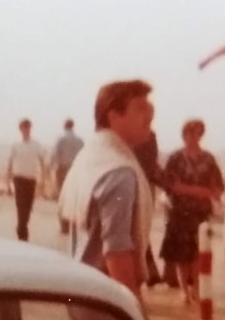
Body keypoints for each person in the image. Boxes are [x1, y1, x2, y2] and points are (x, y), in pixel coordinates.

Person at [58, 79, 155, 302]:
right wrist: (133, 308)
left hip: (81, 289)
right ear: (114, 116)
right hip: (107, 298)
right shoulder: (119, 171)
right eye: (140, 107)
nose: (150, 114)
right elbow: (116, 251)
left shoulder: (89, 157)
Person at [159, 119, 225, 305]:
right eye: (188, 133)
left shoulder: (209, 159)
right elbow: (171, 186)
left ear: (201, 135)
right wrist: (202, 191)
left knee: (198, 252)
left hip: (201, 214)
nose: (191, 137)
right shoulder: (175, 158)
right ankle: (184, 291)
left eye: (195, 133)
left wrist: (188, 190)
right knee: (181, 254)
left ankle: (196, 288)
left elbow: (218, 189)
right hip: (180, 212)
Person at [131, 129, 168, 284]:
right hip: (145, 187)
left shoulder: (141, 135)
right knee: (141, 231)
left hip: (138, 186)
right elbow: (152, 164)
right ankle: (149, 272)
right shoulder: (150, 136)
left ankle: (147, 273)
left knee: (137, 231)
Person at [6, 119, 45, 241]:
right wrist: (8, 182)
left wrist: (43, 179)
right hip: (19, 179)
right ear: (20, 129)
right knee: (21, 206)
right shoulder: (16, 145)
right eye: (24, 128)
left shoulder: (36, 145)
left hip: (31, 179)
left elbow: (42, 162)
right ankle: (22, 231)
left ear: (30, 129)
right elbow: (10, 163)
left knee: (28, 207)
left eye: (28, 128)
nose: (26, 130)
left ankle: (22, 227)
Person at [50, 119, 85, 234]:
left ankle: (64, 225)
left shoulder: (61, 139)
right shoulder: (80, 141)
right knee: (74, 197)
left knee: (62, 197)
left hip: (63, 169)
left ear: (64, 126)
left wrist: (51, 166)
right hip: (76, 170)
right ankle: (72, 223)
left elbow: (55, 154)